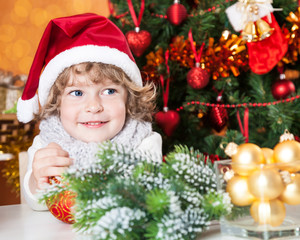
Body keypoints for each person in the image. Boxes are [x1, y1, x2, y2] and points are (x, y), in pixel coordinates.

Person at [17, 13, 162, 211]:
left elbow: (147, 199)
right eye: (77, 92)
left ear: (128, 99)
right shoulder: (47, 143)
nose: (94, 106)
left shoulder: (143, 141)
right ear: (57, 103)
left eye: (109, 91)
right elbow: (36, 203)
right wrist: (37, 180)